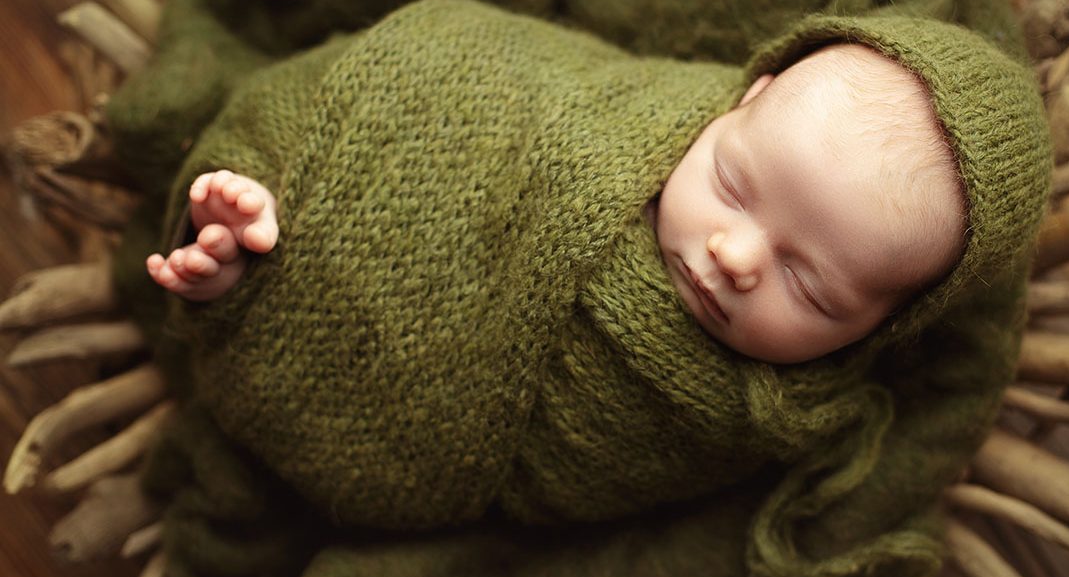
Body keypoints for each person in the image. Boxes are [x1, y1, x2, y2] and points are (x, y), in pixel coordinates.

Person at [145, 42, 965, 366]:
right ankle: (245, 240)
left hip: (396, 415)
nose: (737, 257)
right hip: (369, 188)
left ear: (885, 325)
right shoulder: (613, 122)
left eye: (812, 287)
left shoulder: (767, 429)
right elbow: (466, 69)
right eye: (732, 186)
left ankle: (233, 285)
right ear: (740, 101)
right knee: (300, 189)